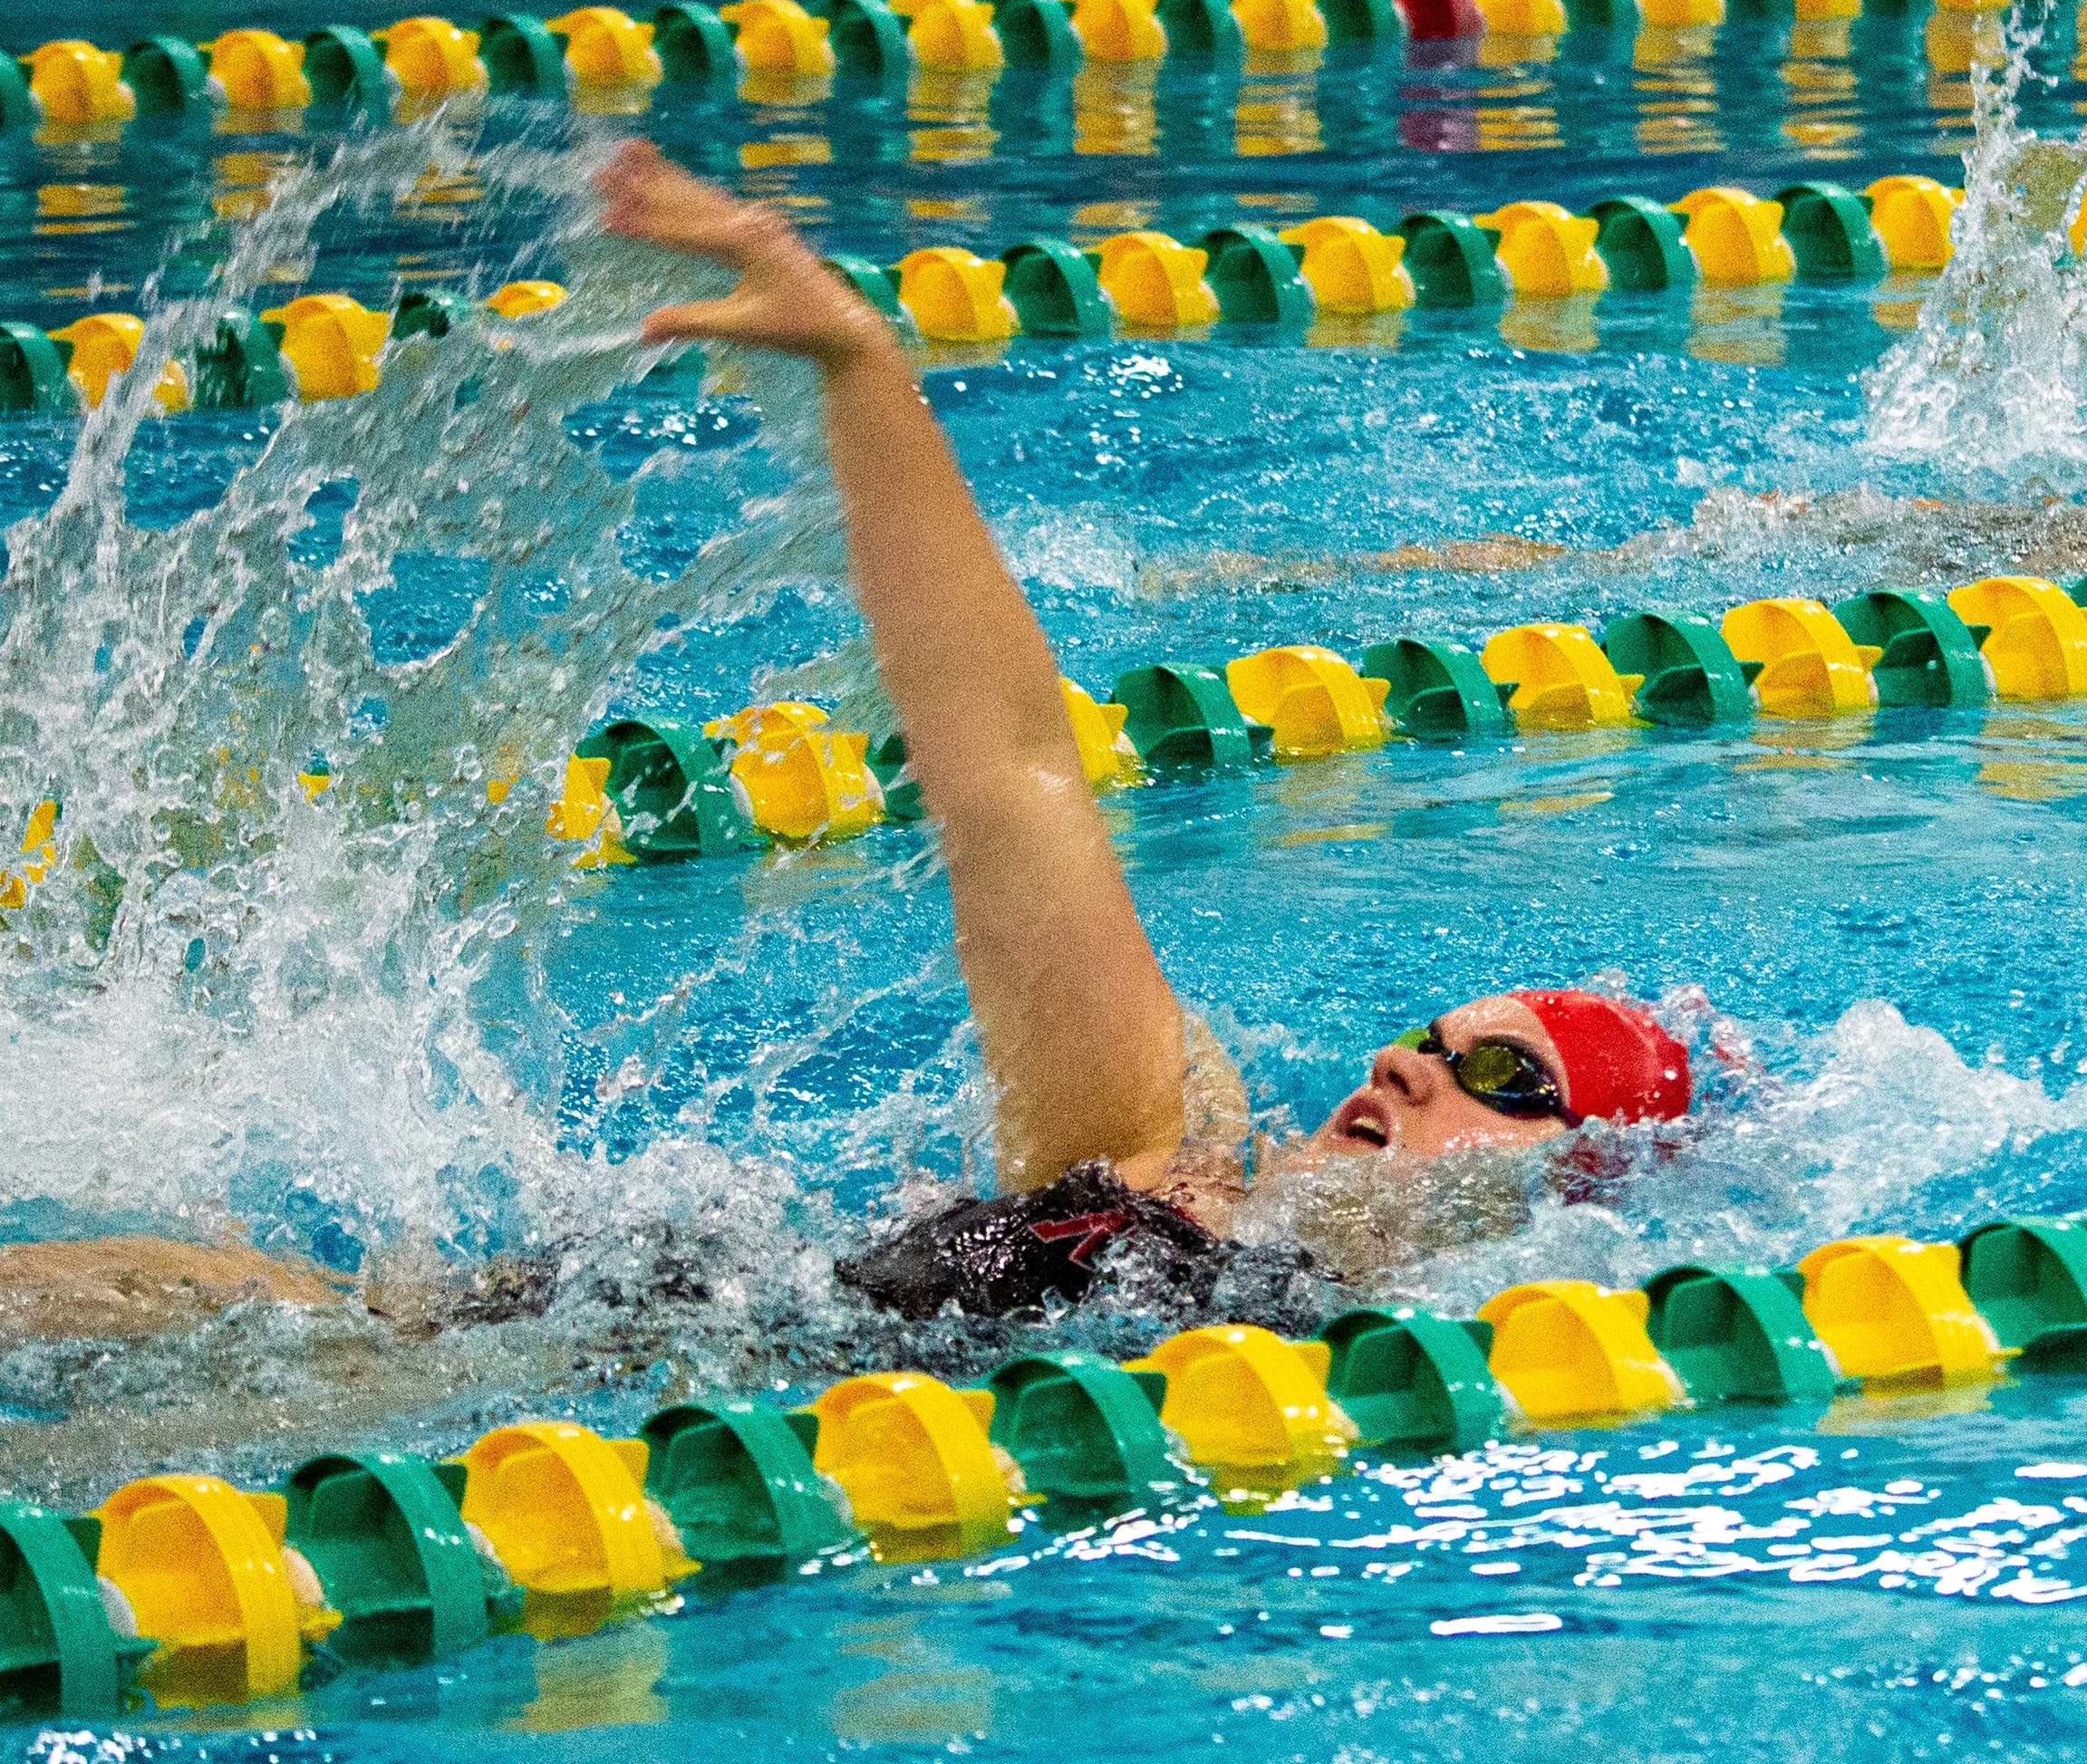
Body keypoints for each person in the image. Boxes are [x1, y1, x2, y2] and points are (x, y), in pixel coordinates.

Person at [0, 141, 1697, 1347]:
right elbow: (1009, 781)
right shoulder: (1160, 1134)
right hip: (471, 1353)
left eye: (1500, 1080)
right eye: (1430, 1036)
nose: (1408, 1067)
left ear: (1573, 1189)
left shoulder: (1313, 1350)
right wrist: (862, 370)